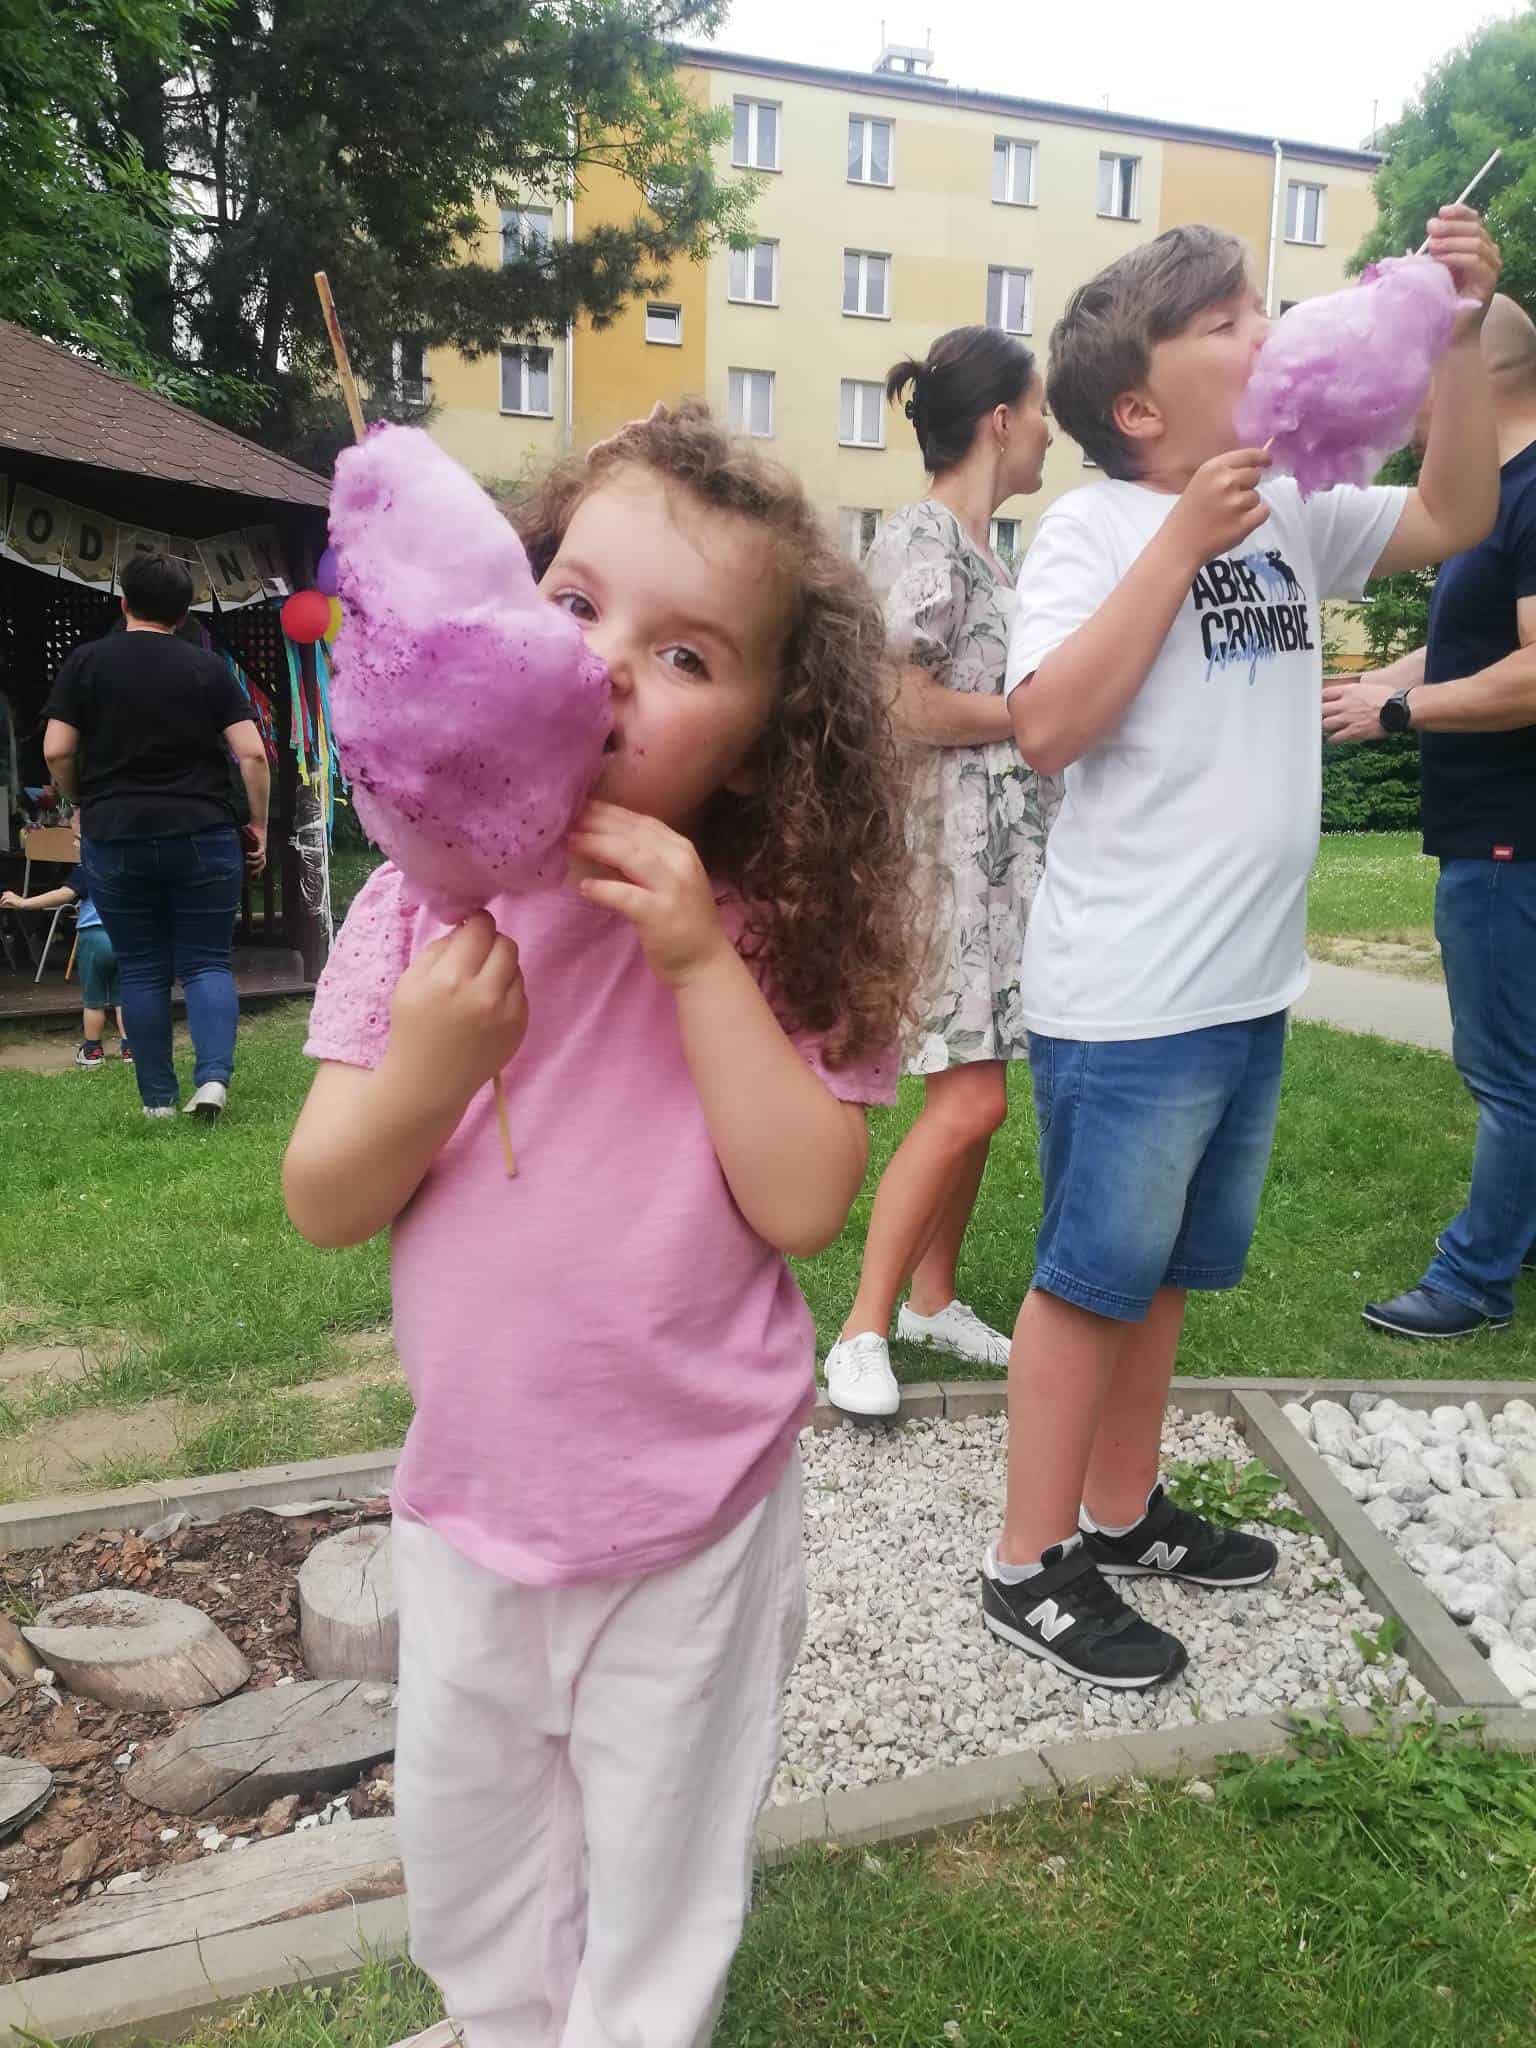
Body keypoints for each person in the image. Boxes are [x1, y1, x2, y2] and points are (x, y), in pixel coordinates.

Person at [282, 402, 914, 2048]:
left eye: (687, 653)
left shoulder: (771, 928)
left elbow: (802, 1203)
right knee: (471, 1833)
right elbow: (326, 1197)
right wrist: (429, 1068)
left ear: (766, 738)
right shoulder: (417, 902)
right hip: (472, 1493)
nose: (610, 666)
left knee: (660, 1855)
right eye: (574, 603)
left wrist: (699, 962)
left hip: (695, 1508)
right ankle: (502, 2022)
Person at [978, 209, 1502, 1691]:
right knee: (1089, 1281)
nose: (1268, 331)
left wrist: (1458, 334)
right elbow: (1044, 727)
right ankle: (1027, 1563)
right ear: (1139, 406)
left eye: (1262, 306)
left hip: (1246, 985)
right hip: (1129, 999)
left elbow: (1457, 511)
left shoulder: (1292, 511)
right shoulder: (1094, 530)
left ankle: (1122, 1510)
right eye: (1226, 321)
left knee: (1162, 1281)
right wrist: (1179, 546)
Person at [824, 327, 1062, 1417]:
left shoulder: (980, 547)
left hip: (995, 866)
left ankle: (931, 1299)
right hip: (949, 866)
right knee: (967, 1100)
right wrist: (1032, 714)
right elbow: (897, 701)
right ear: (1001, 420)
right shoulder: (925, 536)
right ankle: (862, 1330)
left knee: (984, 1094)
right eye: (1041, 409)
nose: (1052, 431)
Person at [1322, 293, 1536, 1337]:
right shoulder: (1496, 498)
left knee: (1508, 1071)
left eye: (1421, 385)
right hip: (1496, 830)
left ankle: (1475, 1279)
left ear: (1478, 380)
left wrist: (1401, 710)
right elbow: (1466, 643)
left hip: (1510, 836)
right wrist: (1373, 685)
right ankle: (1516, 1234)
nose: (1407, 410)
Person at [41, 553, 270, 1121]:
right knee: (207, 962)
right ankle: (212, 1081)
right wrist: (259, 824)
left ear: (124, 603)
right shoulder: (207, 668)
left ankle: (158, 1102)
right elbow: (251, 754)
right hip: (203, 830)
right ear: (183, 613)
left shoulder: (86, 663)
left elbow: (57, 750)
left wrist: (82, 799)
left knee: (141, 967)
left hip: (115, 832)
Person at [1, 821, 129, 1066]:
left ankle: (92, 1051)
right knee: (124, 999)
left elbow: (63, 895)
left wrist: (23, 902)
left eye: (79, 840)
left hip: (93, 938)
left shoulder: (87, 869)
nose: (73, 844)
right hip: (124, 938)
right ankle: (130, 1048)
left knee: (93, 1000)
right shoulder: (127, 868)